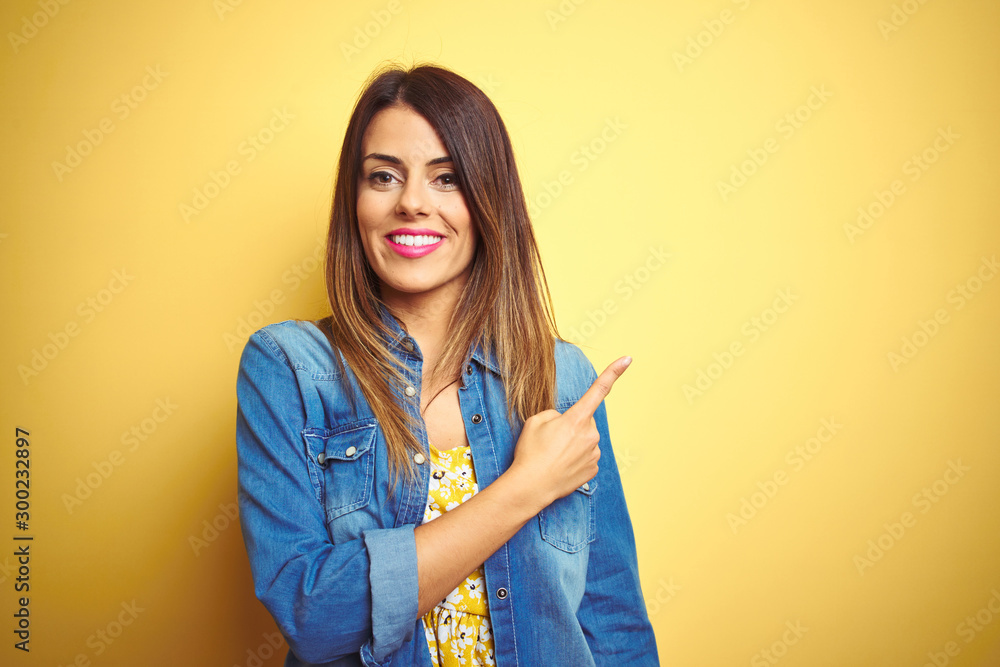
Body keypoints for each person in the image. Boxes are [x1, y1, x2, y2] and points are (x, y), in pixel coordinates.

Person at [235, 63, 659, 666]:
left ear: (488, 202)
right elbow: (314, 616)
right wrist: (524, 488)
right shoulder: (290, 369)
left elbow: (612, 620)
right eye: (383, 176)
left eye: (447, 179)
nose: (411, 203)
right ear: (353, 201)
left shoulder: (561, 377)